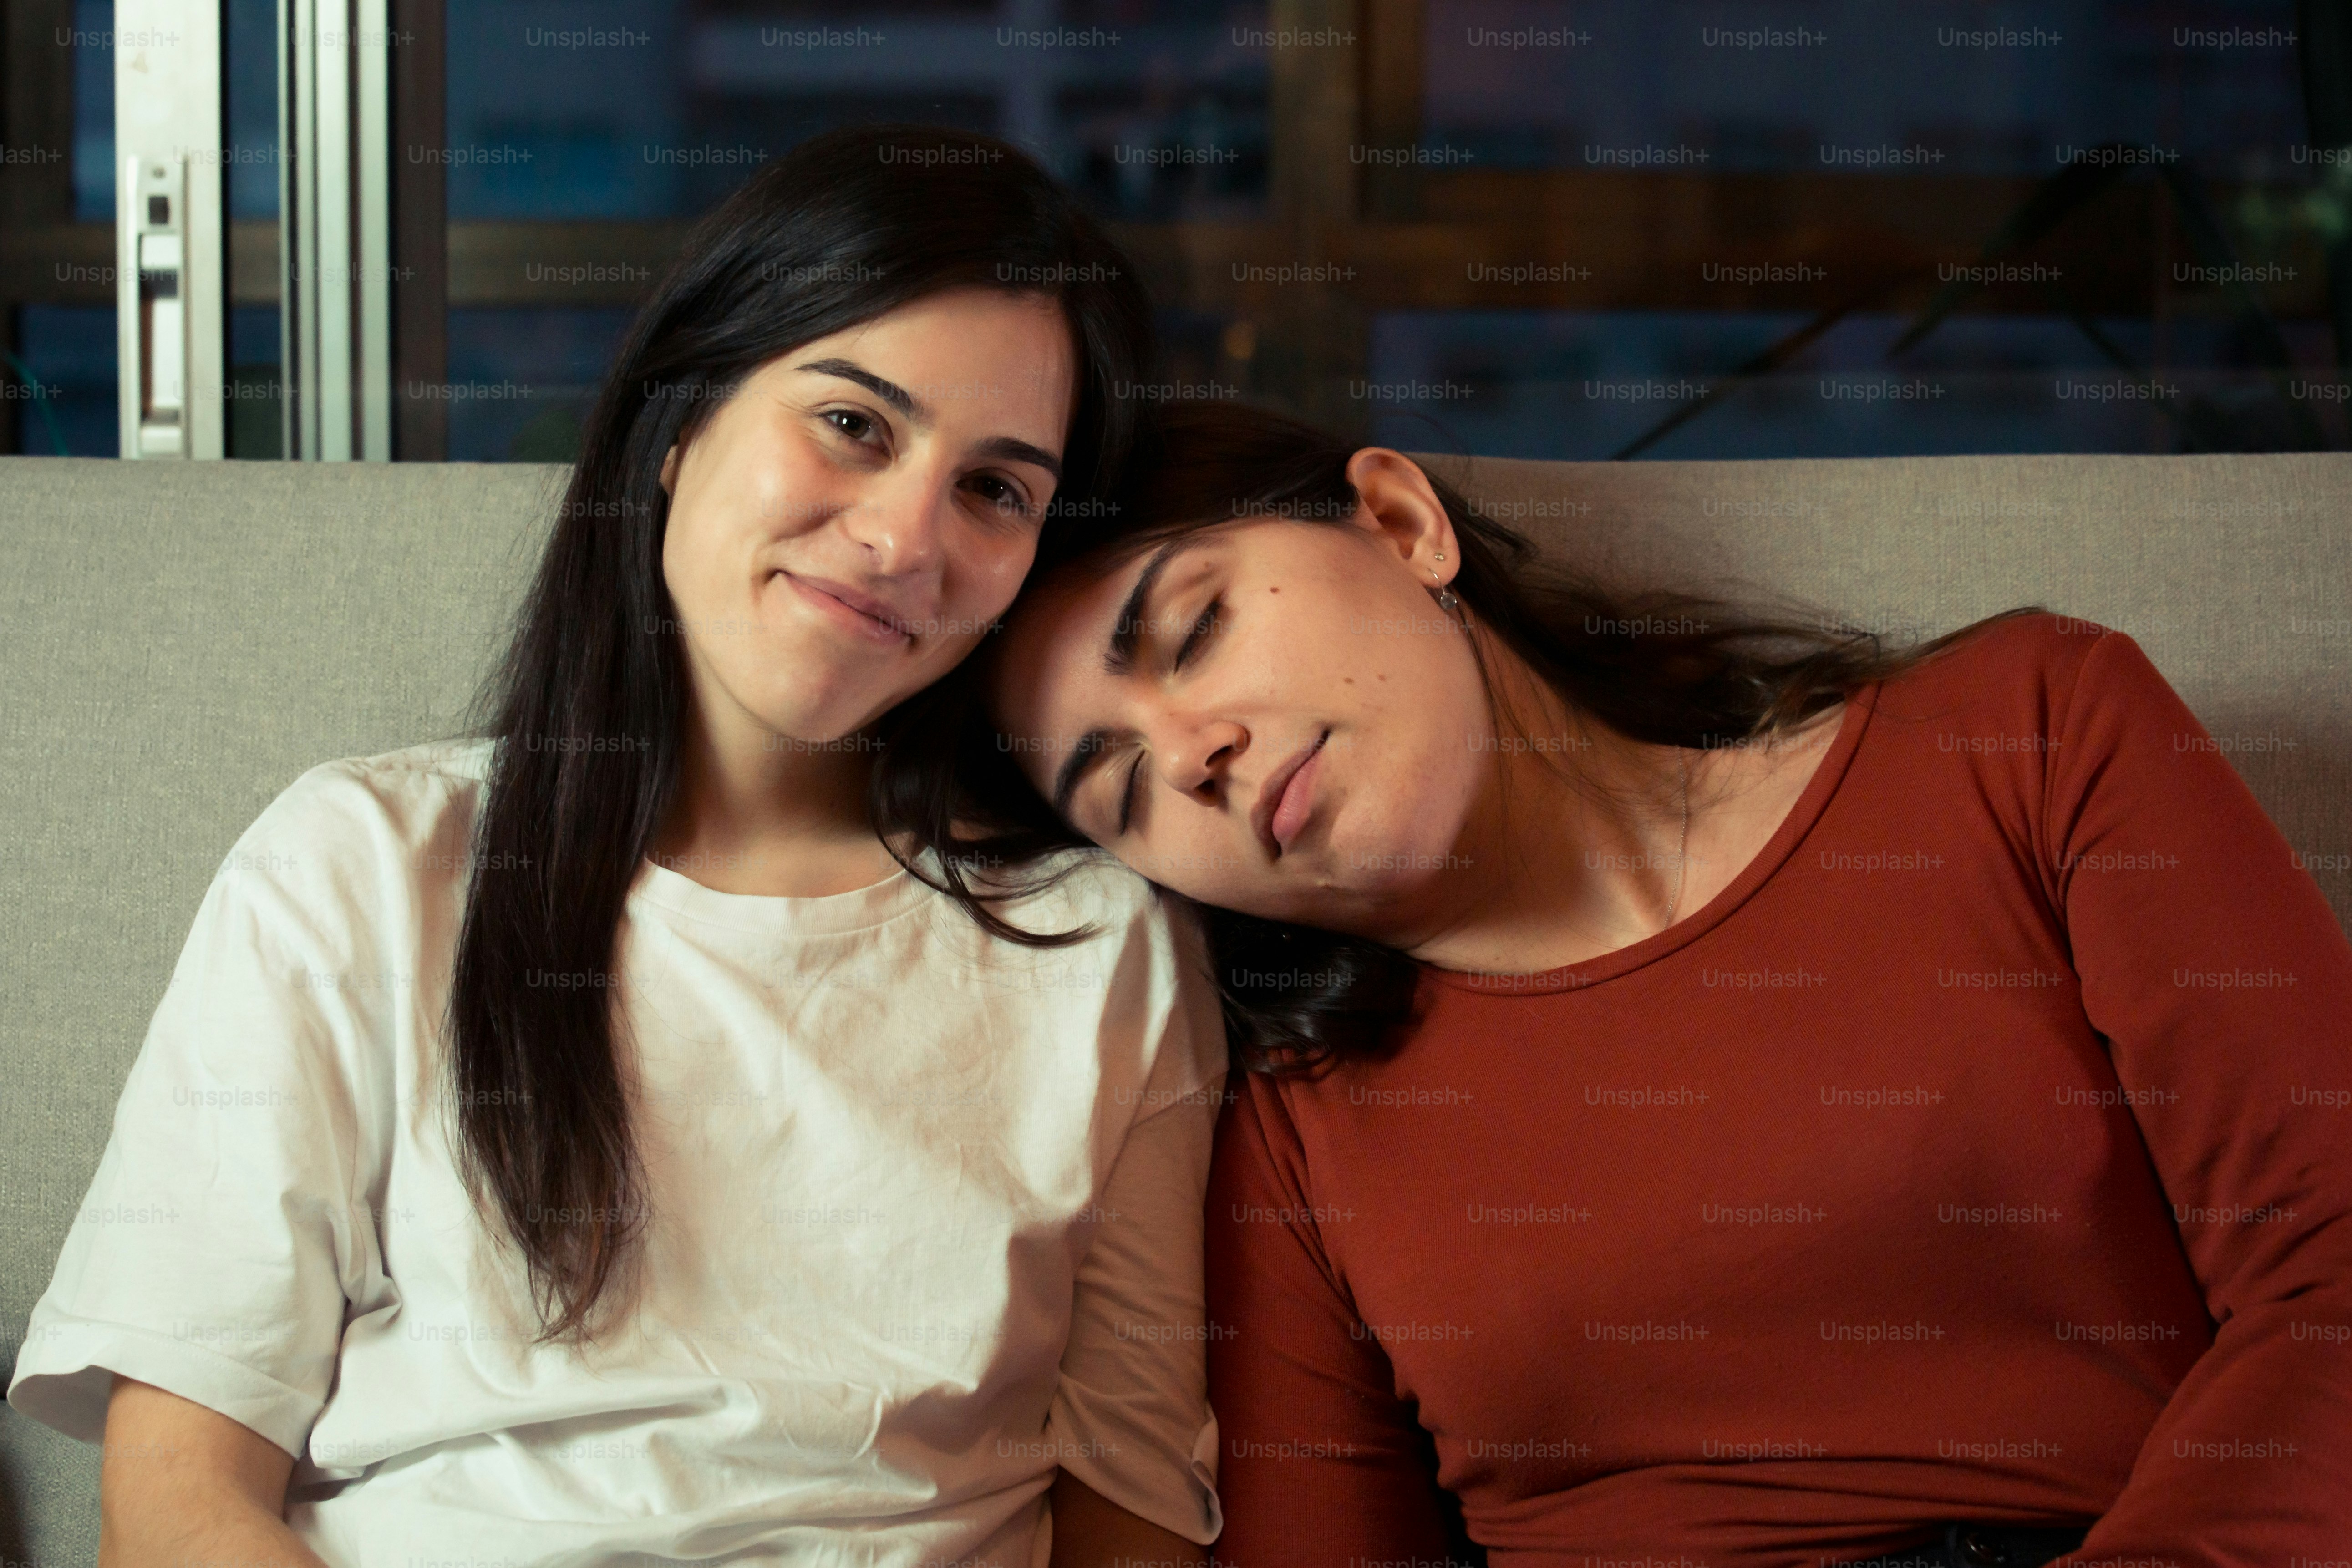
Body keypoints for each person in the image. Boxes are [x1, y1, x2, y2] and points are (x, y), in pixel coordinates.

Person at [9, 127, 1225, 1568]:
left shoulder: (1102, 947)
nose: (907, 537)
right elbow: (178, 1499)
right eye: (852, 423)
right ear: (679, 420)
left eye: (996, 490)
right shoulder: (362, 866)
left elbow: (1133, 1510)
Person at [915, 399, 2352, 1567]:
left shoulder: (2025, 738)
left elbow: (2331, 1275)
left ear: (1402, 523)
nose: (1190, 755)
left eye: (1194, 629)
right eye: (1116, 792)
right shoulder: (1290, 1133)